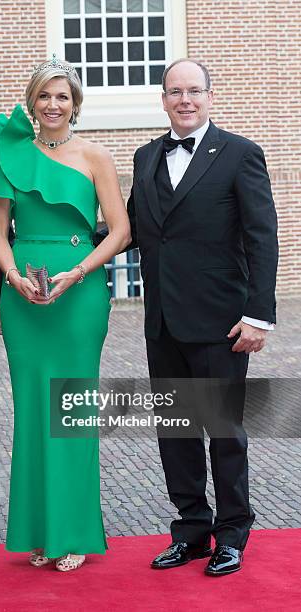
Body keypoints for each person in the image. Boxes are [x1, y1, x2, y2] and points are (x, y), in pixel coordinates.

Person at [125, 59, 278, 576]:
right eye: (175, 92)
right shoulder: (146, 156)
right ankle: (191, 530)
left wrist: (259, 314)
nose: (184, 100)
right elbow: (132, 231)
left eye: (194, 91)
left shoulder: (239, 154)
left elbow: (262, 238)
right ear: (163, 99)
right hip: (163, 322)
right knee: (176, 431)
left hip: (222, 322)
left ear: (209, 96)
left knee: (225, 430)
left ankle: (233, 533)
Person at [0, 56, 130, 571]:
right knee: (32, 413)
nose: (52, 104)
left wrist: (80, 272)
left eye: (62, 96)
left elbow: (119, 230)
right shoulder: (10, 154)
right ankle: (40, 532)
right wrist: (10, 277)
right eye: (44, 95)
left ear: (75, 103)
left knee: (71, 411)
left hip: (78, 293)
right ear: (32, 100)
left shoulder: (95, 156)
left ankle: (72, 532)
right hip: (23, 293)